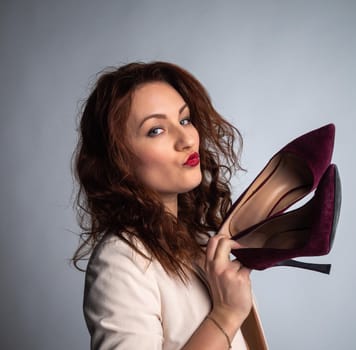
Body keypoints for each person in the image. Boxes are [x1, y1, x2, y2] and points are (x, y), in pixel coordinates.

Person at [72, 61, 268, 350]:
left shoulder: (200, 238)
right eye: (156, 130)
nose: (187, 139)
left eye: (185, 120)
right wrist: (225, 315)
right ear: (119, 160)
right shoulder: (121, 262)